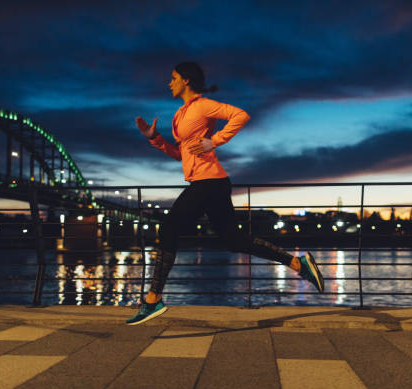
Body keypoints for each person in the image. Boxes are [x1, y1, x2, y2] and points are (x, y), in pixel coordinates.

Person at [127, 62, 324, 324]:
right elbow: (181, 154)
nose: (169, 82)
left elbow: (240, 115)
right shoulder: (181, 114)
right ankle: (299, 264)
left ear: (186, 81)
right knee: (234, 241)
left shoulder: (202, 105)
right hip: (210, 182)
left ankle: (153, 300)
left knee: (168, 230)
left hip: (208, 183)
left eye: (173, 78)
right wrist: (155, 139)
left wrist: (215, 140)